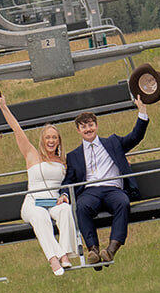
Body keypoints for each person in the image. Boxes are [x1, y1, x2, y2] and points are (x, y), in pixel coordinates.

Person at [0, 90, 78, 277]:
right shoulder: (32, 155)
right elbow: (17, 130)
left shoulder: (63, 161)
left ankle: (65, 253)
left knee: (66, 210)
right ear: (42, 139)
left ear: (58, 142)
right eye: (48, 137)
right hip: (34, 203)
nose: (51, 141)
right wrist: (4, 107)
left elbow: (78, 173)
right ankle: (54, 258)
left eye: (54, 138)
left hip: (54, 202)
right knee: (40, 216)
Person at [62, 96, 149, 268]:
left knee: (123, 203)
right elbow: (69, 179)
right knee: (82, 206)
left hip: (112, 188)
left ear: (96, 126)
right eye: (83, 126)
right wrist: (64, 194)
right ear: (78, 130)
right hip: (91, 191)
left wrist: (142, 111)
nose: (88, 129)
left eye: (90, 125)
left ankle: (111, 249)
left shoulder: (113, 142)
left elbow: (135, 137)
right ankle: (93, 250)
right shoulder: (74, 156)